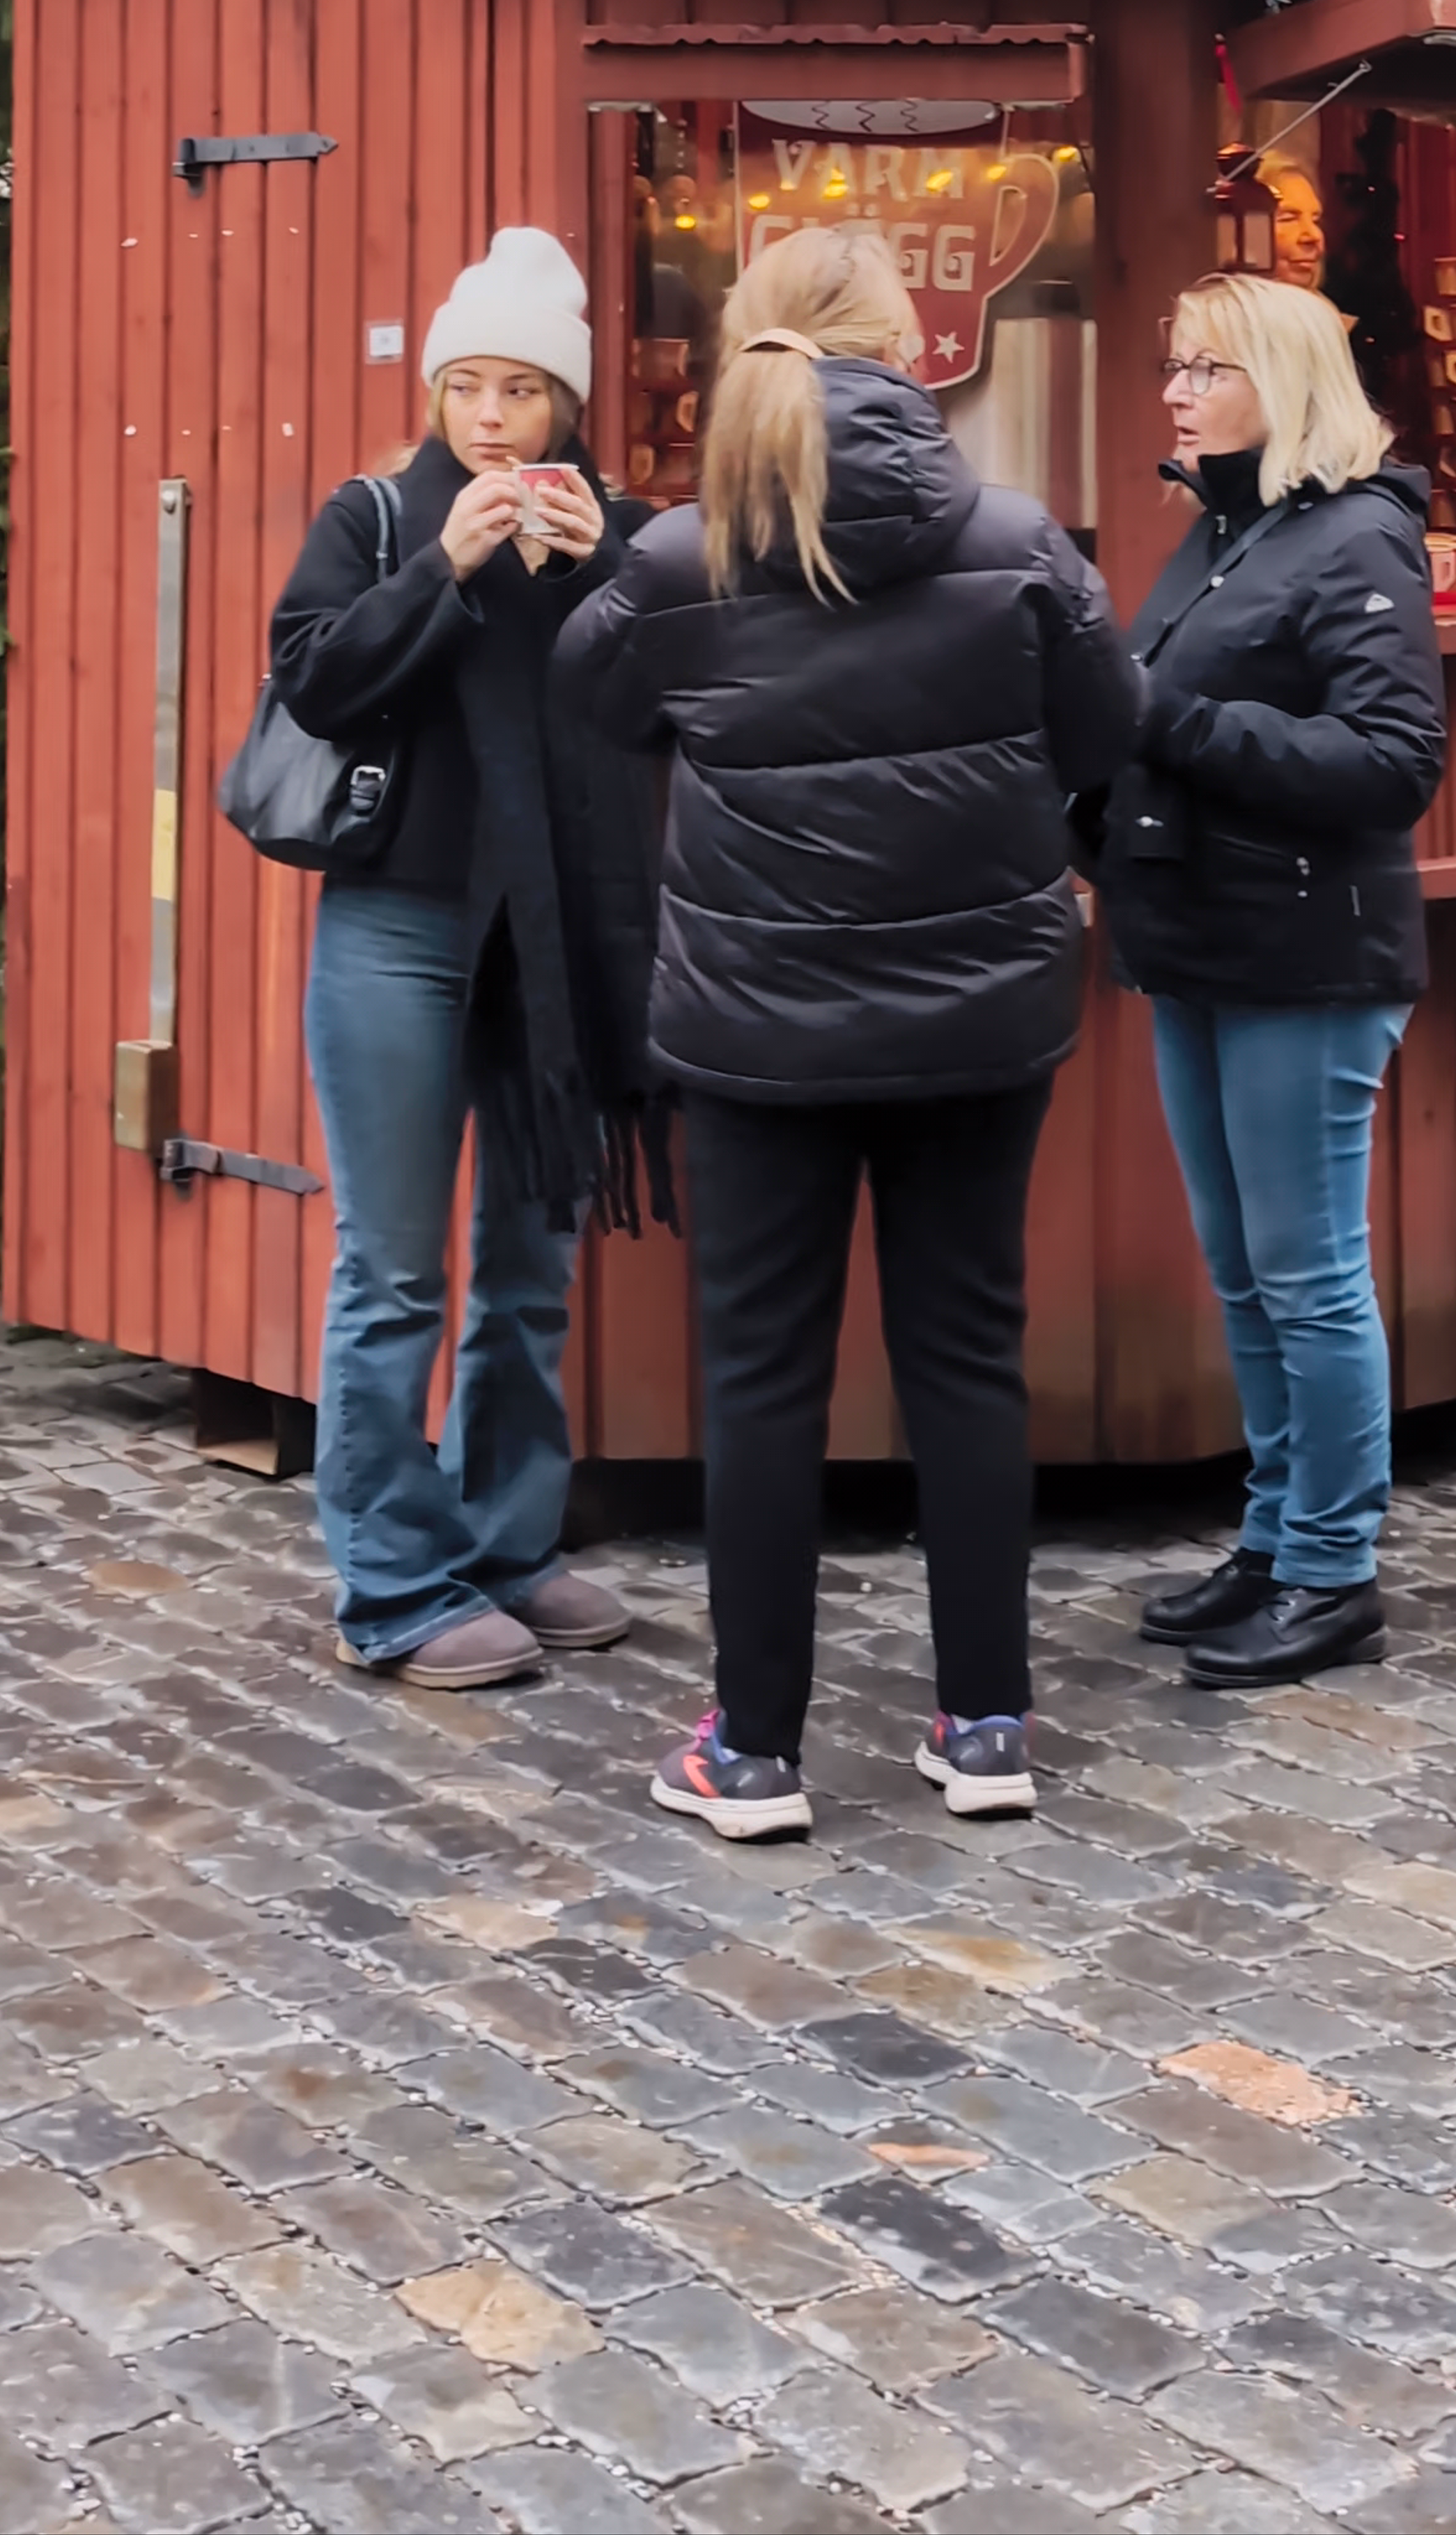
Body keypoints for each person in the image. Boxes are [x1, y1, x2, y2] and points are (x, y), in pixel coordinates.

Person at [560, 224, 1138, 1842]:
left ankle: (751, 1752)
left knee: (759, 1380)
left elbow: (587, 698)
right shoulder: (1021, 542)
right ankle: (985, 1727)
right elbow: (1111, 732)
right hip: (979, 1016)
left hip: (758, 1027)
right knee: (967, 1360)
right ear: (904, 345)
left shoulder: (684, 561)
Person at [265, 228, 649, 1689]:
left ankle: (505, 1543)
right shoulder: (375, 515)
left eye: (525, 388)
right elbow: (317, 672)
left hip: (548, 932)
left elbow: (671, 698)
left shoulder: (610, 531)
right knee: (394, 1265)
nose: (492, 415)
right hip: (401, 925)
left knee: (532, 1260)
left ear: (568, 406)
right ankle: (392, 1579)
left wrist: (602, 576)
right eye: (468, 384)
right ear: (436, 393)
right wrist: (451, 563)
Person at [1095, 270, 1447, 1691]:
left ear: (1282, 381)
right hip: (1202, 941)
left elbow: (1393, 764)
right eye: (1173, 366)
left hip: (1305, 952)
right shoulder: (1226, 533)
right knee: (1246, 1271)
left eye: (1205, 369)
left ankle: (1332, 1568)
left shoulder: (1359, 538)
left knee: (1308, 1277)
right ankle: (1274, 1531)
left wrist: (1166, 716)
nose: (1174, 391)